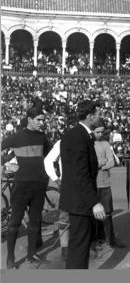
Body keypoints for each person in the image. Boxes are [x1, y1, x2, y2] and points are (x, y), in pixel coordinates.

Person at [2, 104, 52, 269]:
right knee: (15, 222)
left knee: (35, 222)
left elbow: (51, 155)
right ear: (29, 119)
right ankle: (10, 258)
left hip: (38, 185)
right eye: (38, 120)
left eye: (42, 120)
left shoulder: (42, 137)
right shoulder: (16, 137)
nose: (41, 123)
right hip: (21, 186)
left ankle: (31, 255)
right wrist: (4, 167)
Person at [60, 100, 106, 269]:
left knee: (79, 246)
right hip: (80, 201)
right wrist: (94, 202)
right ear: (89, 116)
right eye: (98, 114)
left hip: (79, 199)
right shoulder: (78, 136)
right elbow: (81, 174)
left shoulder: (80, 134)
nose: (100, 117)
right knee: (79, 248)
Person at [92, 121, 127, 249]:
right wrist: (100, 163)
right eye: (97, 132)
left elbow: (112, 162)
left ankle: (110, 240)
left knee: (107, 213)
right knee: (92, 214)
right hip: (92, 184)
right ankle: (96, 240)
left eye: (102, 132)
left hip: (105, 183)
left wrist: (100, 164)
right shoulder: (88, 143)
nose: (100, 134)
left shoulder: (106, 144)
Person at [43, 138, 70, 261]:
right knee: (64, 217)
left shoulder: (90, 139)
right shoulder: (62, 142)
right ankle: (65, 249)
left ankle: (85, 245)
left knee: (83, 217)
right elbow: (48, 161)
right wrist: (57, 180)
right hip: (68, 185)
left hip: (85, 184)